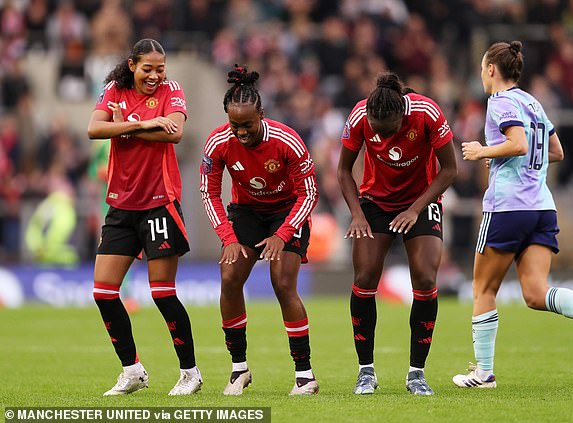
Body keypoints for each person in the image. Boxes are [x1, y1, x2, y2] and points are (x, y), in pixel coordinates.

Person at [453, 41, 573, 389]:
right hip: (541, 206)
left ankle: (484, 373)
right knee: (535, 292)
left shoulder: (499, 102)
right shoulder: (532, 101)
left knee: (483, 287)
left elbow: (518, 143)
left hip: (508, 206)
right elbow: (556, 151)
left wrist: (482, 151)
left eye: (482, 68)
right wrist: (508, 156)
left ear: (490, 69)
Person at [87, 38, 202, 396]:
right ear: (132, 64)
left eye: (160, 68)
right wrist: (145, 125)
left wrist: (125, 126)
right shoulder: (114, 89)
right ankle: (132, 370)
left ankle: (190, 373)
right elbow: (94, 129)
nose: (155, 76)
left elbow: (176, 132)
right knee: (103, 292)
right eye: (148, 68)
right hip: (121, 204)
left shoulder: (173, 89)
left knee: (162, 293)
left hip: (158, 202)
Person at [200, 65, 320, 396]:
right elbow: (208, 193)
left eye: (247, 125)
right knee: (229, 278)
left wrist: (283, 234)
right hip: (247, 213)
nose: (240, 132)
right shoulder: (217, 143)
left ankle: (305, 375)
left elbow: (309, 193)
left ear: (261, 114)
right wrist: (227, 238)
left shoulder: (287, 141)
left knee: (282, 283)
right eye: (234, 124)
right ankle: (239, 370)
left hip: (286, 212)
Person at [337, 72, 458, 395]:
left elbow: (449, 169)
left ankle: (416, 373)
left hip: (420, 200)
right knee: (364, 278)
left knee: (425, 278)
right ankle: (366, 372)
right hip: (375, 202)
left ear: (402, 115)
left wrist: (415, 209)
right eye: (377, 132)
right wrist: (358, 215)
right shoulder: (360, 115)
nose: (383, 138)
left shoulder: (427, 113)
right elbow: (343, 170)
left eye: (388, 130)